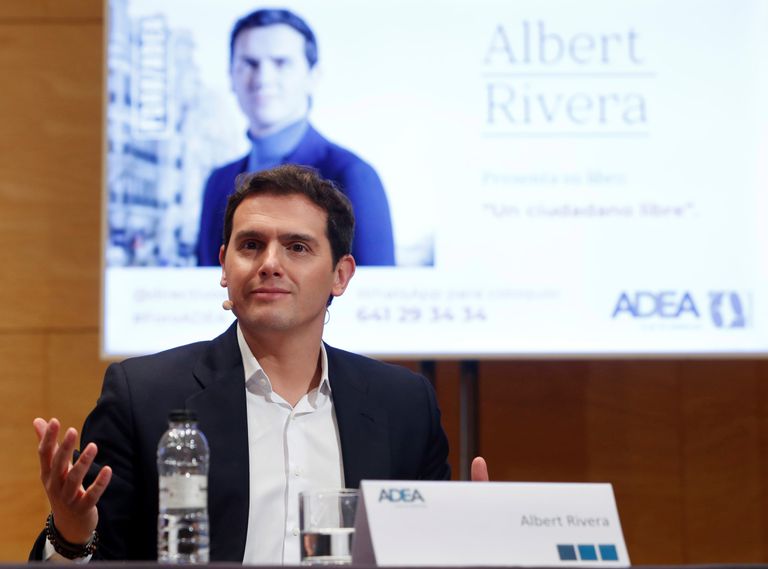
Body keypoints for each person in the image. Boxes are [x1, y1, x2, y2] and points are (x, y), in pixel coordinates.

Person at [31, 165, 488, 563]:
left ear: (341, 275)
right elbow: (90, 558)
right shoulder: (143, 396)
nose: (270, 263)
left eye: (297, 247)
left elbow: (424, 558)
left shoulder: (404, 405)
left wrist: (472, 543)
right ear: (224, 269)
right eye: (250, 244)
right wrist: (71, 534)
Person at [197, 8, 395, 267]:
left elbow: (372, 298)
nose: (263, 78)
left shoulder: (352, 176)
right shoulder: (218, 182)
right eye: (249, 63)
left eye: (281, 63)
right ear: (231, 77)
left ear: (313, 77)